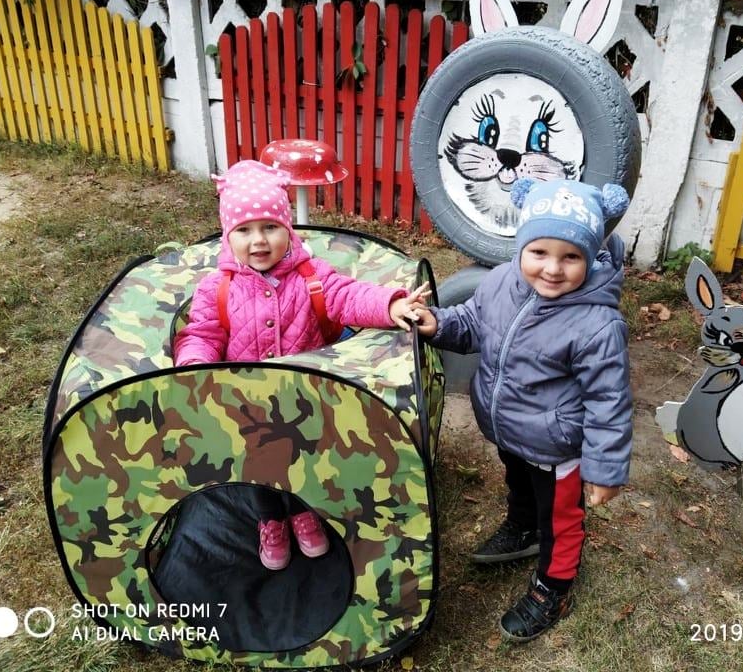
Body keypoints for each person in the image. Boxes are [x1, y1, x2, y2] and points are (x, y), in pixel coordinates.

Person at [174, 159, 429, 570]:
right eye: (244, 230)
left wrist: (389, 303)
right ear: (228, 234)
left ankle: (304, 513)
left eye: (270, 227)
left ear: (287, 228)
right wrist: (192, 368)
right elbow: (202, 334)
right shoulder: (217, 288)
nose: (259, 240)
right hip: (247, 405)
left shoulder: (310, 277)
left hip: (303, 399)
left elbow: (349, 297)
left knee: (303, 462)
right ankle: (270, 520)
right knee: (257, 469)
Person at [414, 178, 633, 642]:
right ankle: (521, 526)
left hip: (557, 446)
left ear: (590, 257)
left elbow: (608, 402)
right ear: (521, 247)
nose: (553, 269)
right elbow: (474, 324)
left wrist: (605, 470)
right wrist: (440, 324)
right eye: (540, 253)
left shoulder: (597, 323)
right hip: (511, 429)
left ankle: (552, 586)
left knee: (561, 516)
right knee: (518, 481)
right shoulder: (500, 282)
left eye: (571, 257)